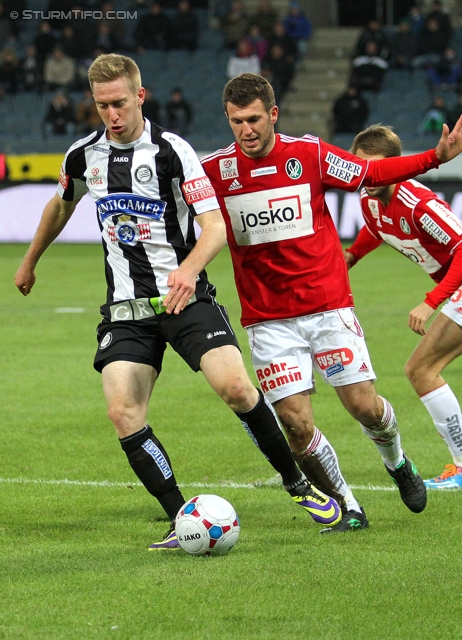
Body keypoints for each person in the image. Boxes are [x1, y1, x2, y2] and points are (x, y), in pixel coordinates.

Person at [14, 54, 342, 551]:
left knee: (235, 387)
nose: (112, 114)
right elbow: (63, 202)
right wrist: (30, 260)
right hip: (127, 308)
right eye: (102, 105)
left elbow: (213, 225)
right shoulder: (84, 155)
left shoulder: (173, 152)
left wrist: (187, 271)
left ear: (139, 96)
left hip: (185, 299)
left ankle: (297, 484)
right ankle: (180, 517)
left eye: (120, 103)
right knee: (123, 412)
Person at [201, 73, 462, 527]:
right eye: (237, 121)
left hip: (328, 309)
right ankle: (347, 504)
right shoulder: (214, 172)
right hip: (268, 319)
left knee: (364, 407)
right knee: (297, 427)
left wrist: (434, 159)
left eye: (255, 119)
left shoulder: (309, 155)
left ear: (273, 114)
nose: (247, 130)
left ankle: (397, 461)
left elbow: (371, 173)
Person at [345, 124, 462, 489]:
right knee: (423, 369)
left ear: (395, 166)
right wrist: (349, 257)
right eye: (362, 166)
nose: (369, 175)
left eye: (377, 167)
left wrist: (430, 303)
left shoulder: (420, 204)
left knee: (421, 369)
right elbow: (376, 228)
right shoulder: (368, 199)